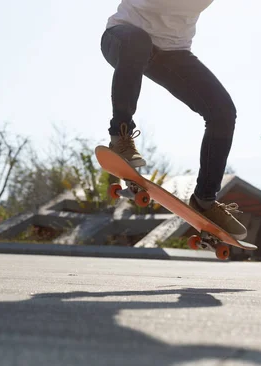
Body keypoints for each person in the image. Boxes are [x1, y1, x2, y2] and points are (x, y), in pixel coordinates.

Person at [100, 0, 247, 240]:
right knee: (137, 42)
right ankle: (120, 137)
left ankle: (205, 200)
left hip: (172, 53)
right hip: (122, 36)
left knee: (222, 112)